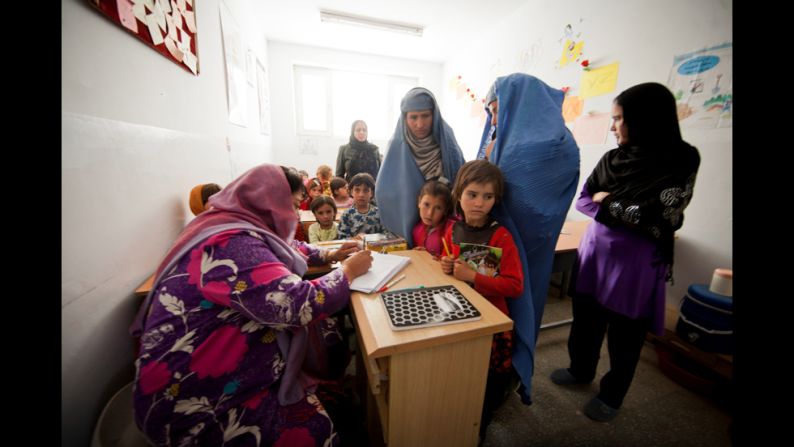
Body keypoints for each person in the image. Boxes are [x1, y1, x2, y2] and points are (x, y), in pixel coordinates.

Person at [129, 164, 373, 446]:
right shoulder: (230, 244)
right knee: (317, 431)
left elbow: (286, 247)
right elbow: (297, 305)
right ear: (268, 204)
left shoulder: (228, 224)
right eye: (292, 206)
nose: (295, 215)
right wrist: (348, 272)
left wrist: (329, 253)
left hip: (199, 380)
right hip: (192, 405)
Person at [550, 82, 700, 422]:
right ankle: (580, 369)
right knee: (586, 320)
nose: (613, 126)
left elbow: (663, 211)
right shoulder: (613, 158)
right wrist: (615, 206)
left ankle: (612, 395)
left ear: (646, 119)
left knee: (625, 334)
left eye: (619, 118)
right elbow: (585, 200)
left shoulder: (681, 158)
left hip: (636, 263)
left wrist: (610, 202)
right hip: (595, 253)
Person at [478, 73, 581, 405]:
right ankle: (502, 377)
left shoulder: (527, 146)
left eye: (497, 110)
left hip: (517, 246)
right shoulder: (558, 139)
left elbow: (521, 202)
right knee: (510, 309)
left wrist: (492, 160)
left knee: (508, 308)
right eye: (491, 112)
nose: (493, 119)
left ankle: (500, 379)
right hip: (515, 246)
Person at [439, 160, 523, 441]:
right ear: (458, 194)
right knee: (460, 381)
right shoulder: (453, 229)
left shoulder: (501, 236)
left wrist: (473, 277)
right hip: (460, 316)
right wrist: (448, 263)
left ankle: (478, 431)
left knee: (484, 391)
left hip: (491, 324)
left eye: (488, 197)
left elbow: (514, 286)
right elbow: (450, 260)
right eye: (472, 195)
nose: (479, 203)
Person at [376, 87, 466, 246]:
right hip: (408, 223)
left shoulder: (447, 138)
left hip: (444, 224)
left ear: (434, 115)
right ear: (405, 118)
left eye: (425, 116)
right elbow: (384, 190)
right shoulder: (397, 145)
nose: (420, 124)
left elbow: (460, 179)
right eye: (413, 117)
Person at [412, 180, 456, 258]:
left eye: (438, 208)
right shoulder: (416, 230)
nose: (430, 213)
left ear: (445, 210)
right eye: (426, 204)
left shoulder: (453, 229)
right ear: (419, 202)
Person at [338, 173, 385, 240]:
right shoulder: (347, 215)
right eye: (357, 190)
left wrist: (370, 238)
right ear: (351, 192)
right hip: (353, 249)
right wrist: (354, 239)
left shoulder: (379, 213)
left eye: (366, 190)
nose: (361, 194)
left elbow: (386, 235)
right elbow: (342, 238)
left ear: (371, 193)